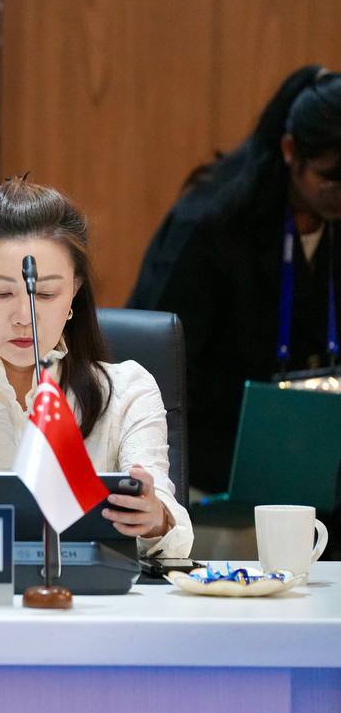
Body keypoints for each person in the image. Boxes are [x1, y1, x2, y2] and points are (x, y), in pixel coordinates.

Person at [0, 179, 192, 558]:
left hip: (93, 592)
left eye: (45, 294)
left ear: (75, 290)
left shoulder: (128, 390)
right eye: (1, 293)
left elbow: (176, 535)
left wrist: (155, 519)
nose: (23, 317)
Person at [128, 66, 341, 495]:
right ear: (289, 151)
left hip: (315, 468)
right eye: (331, 180)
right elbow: (157, 363)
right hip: (210, 475)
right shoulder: (211, 226)